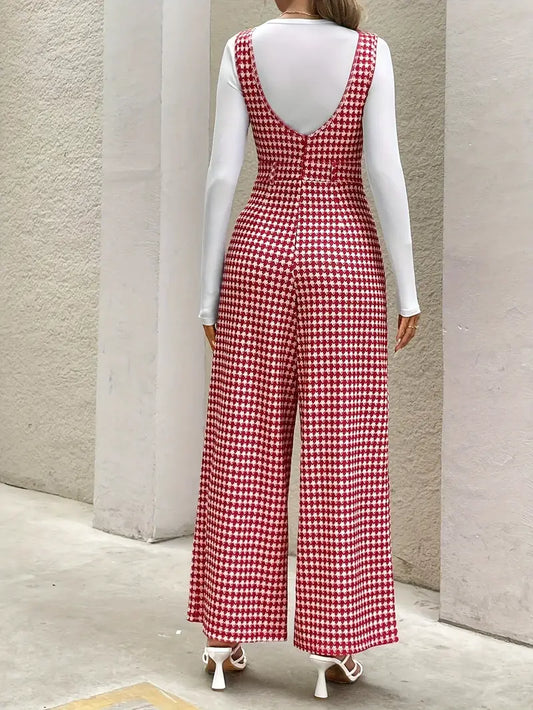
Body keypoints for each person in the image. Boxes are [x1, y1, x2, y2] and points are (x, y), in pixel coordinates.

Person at [187, 0, 422, 699]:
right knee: (342, 454)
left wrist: (207, 292)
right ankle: (333, 644)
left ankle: (223, 638)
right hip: (343, 255)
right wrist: (407, 288)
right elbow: (384, 171)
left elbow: (222, 175)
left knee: (242, 444)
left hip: (258, 250)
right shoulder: (368, 53)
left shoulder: (241, 50)